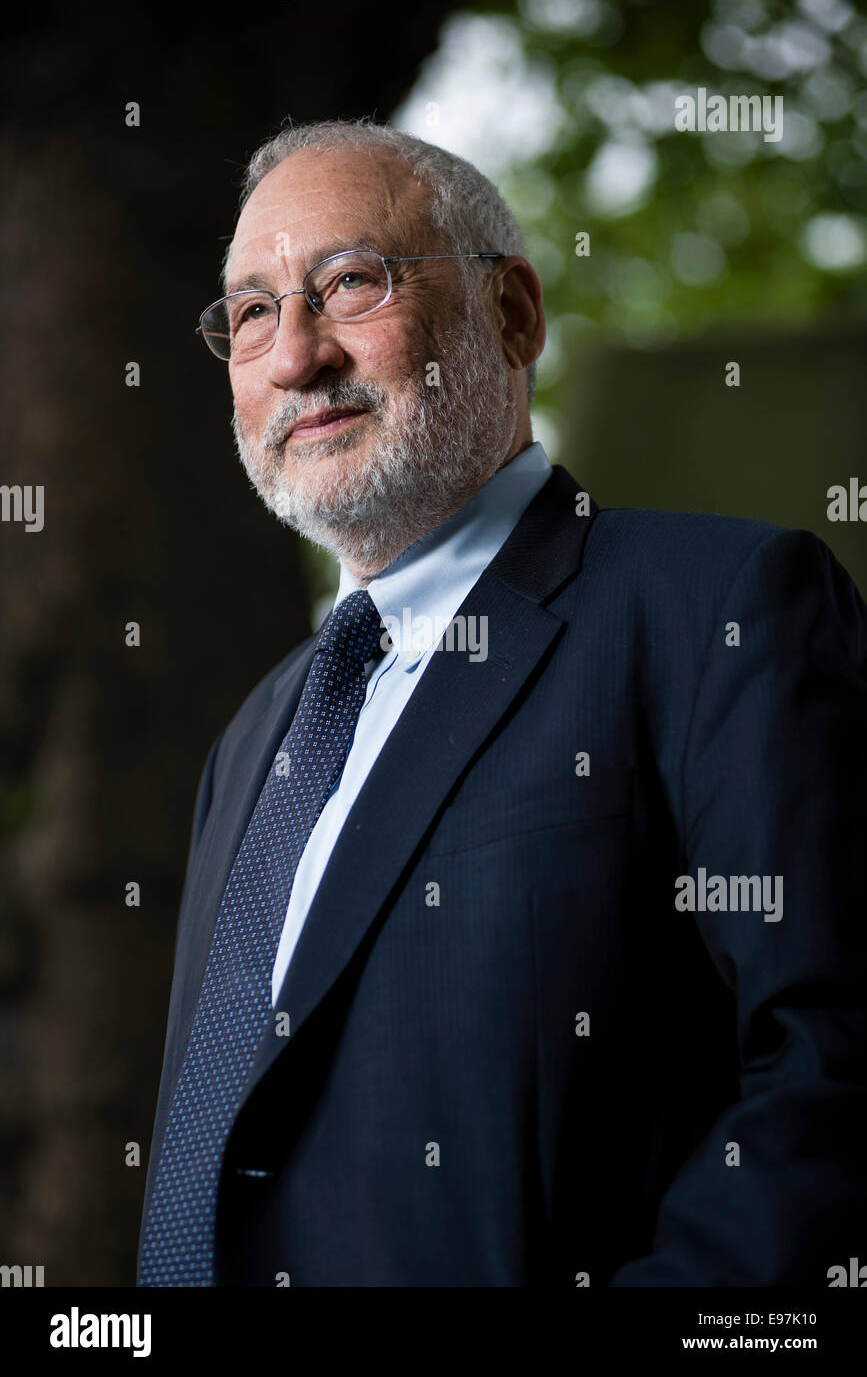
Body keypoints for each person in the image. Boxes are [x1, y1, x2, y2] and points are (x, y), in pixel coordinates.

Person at [137, 119, 867, 1287]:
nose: (296, 357)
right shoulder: (255, 739)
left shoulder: (723, 610)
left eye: (349, 282)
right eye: (254, 312)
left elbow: (836, 1066)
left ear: (513, 315)